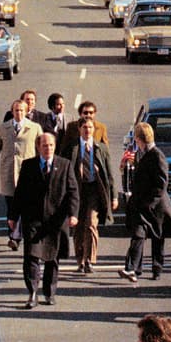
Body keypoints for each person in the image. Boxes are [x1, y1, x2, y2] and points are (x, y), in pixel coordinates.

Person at [10, 132, 78, 308]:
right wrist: (13, 216)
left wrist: (73, 214)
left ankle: (49, 292)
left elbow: (72, 192)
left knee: (51, 258)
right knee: (31, 257)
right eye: (45, 145)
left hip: (55, 221)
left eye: (51, 146)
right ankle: (32, 293)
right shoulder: (28, 166)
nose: (48, 149)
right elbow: (19, 194)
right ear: (38, 147)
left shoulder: (65, 165)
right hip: (33, 220)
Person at [118, 122, 171, 283]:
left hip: (156, 204)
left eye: (136, 139)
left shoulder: (157, 155)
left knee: (157, 237)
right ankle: (132, 269)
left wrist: (150, 203)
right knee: (138, 235)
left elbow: (161, 184)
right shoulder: (141, 153)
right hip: (141, 203)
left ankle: (157, 268)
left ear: (140, 139)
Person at [63, 116, 116, 274]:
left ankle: (90, 260)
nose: (87, 131)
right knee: (78, 227)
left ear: (94, 130)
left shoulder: (101, 148)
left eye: (90, 128)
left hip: (94, 189)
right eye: (85, 128)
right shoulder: (72, 148)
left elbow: (110, 174)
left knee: (92, 223)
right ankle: (80, 260)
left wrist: (113, 196)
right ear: (79, 129)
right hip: (77, 191)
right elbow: (64, 171)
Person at [0, 99, 42, 228]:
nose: (19, 113)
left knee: (26, 206)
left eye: (21, 110)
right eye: (16, 110)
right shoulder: (4, 127)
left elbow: (41, 150)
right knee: (11, 206)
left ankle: (21, 234)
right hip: (8, 172)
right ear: (12, 112)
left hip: (27, 173)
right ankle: (13, 236)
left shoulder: (35, 128)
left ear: (26, 112)